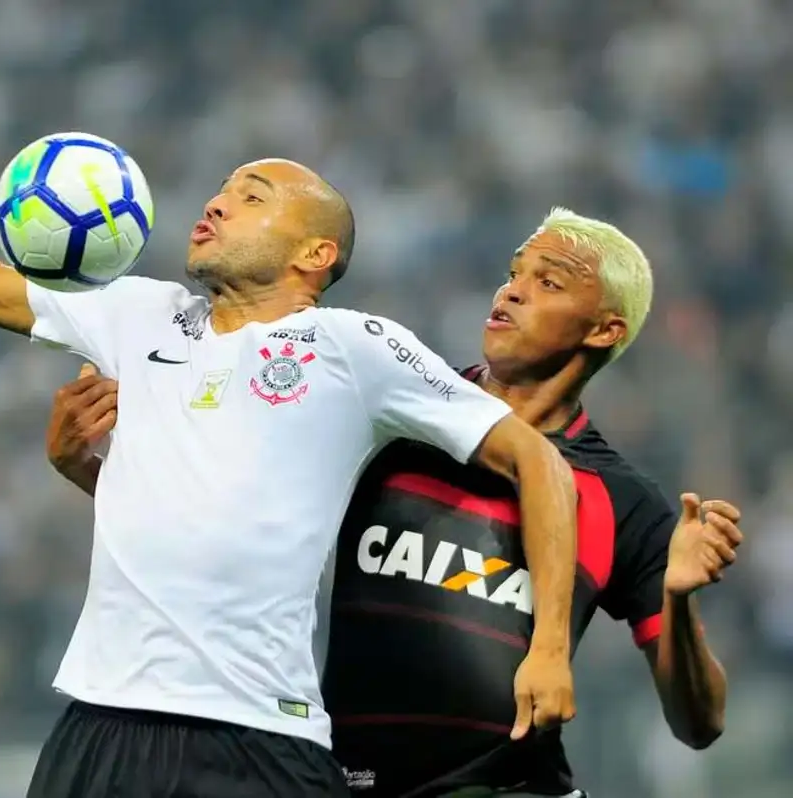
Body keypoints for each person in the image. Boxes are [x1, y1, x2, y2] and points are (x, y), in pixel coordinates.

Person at [0, 48, 581, 798]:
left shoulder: (351, 346)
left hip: (260, 735)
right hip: (104, 722)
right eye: (218, 192)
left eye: (250, 197)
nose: (214, 206)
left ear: (314, 255)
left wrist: (547, 647)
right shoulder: (138, 315)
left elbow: (539, 463)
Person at [45, 208, 745, 797]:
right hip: (339, 781)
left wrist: (678, 603)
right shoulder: (386, 418)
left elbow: (700, 724)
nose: (511, 292)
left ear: (602, 331)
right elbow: (223, 524)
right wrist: (87, 468)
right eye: (513, 273)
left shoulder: (624, 503)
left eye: (548, 282)